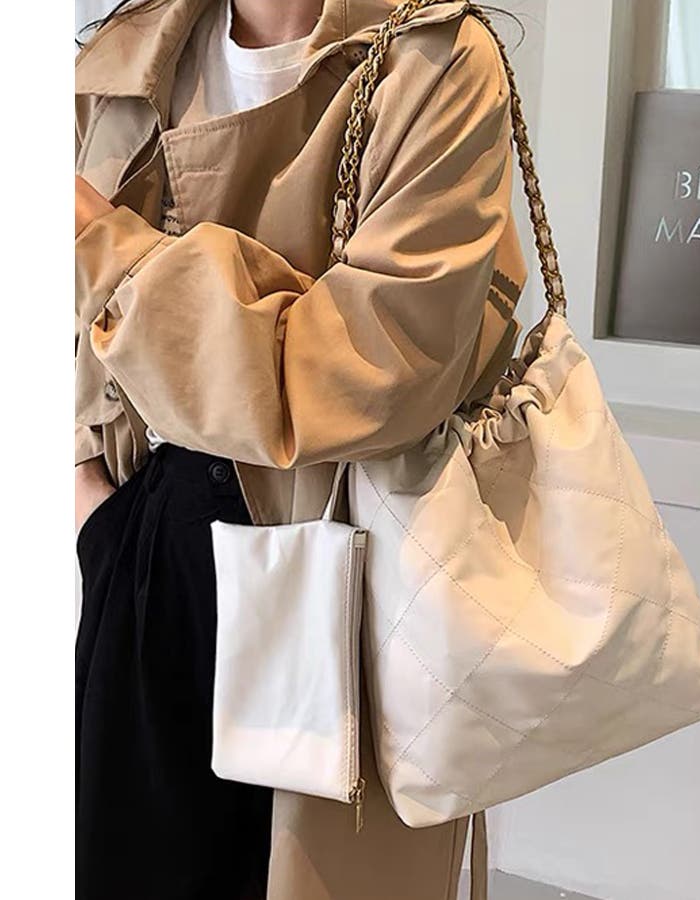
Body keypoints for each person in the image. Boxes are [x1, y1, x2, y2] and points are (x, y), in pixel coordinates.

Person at [74, 0, 527, 897]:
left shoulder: (434, 61)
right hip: (150, 540)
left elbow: (371, 372)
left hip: (356, 557)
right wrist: (85, 490)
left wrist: (104, 246)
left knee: (317, 875)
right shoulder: (122, 57)